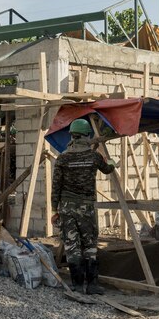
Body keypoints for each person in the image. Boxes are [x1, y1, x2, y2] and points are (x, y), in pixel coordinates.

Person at [51, 118, 115, 294]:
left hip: (66, 208)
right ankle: (92, 285)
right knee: (90, 244)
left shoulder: (62, 158)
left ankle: (77, 285)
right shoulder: (94, 157)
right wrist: (112, 162)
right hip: (86, 208)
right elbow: (108, 168)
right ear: (87, 135)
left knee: (72, 245)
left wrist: (54, 210)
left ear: (71, 135)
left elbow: (56, 187)